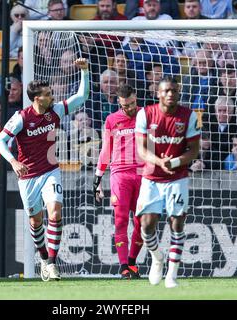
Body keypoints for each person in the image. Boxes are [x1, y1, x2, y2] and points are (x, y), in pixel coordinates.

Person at [0, 58, 89, 281]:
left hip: (50, 171)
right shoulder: (21, 118)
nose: (52, 96)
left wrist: (84, 72)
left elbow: (81, 97)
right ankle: (44, 257)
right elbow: (0, 141)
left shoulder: (55, 111)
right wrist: (14, 162)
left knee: (55, 212)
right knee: (36, 222)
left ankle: (52, 263)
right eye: (48, 93)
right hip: (27, 177)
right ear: (38, 98)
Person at [135, 76, 200, 288]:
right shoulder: (145, 114)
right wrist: (159, 161)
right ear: (158, 93)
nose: (170, 93)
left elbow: (194, 150)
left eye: (174, 90)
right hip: (152, 176)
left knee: (177, 222)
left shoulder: (188, 117)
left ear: (178, 92)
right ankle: (157, 258)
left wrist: (177, 161)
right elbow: (141, 149)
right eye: (166, 90)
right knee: (146, 224)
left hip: (177, 177)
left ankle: (172, 274)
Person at [93, 84, 144, 279]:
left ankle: (132, 261)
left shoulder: (146, 116)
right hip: (120, 175)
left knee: (142, 223)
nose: (129, 108)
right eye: (125, 106)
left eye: (131, 104)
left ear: (136, 98)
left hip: (143, 174)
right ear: (119, 103)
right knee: (121, 220)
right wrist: (98, 179)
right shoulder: (112, 120)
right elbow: (106, 150)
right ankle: (123, 266)